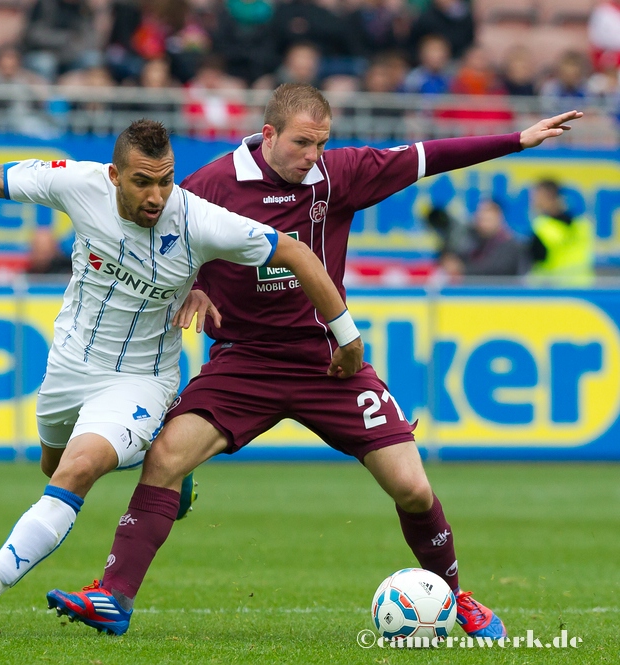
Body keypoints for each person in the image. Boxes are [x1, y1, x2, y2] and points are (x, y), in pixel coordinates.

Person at [46, 84, 583, 639]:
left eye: (321, 144)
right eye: (303, 143)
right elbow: (164, 244)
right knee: (163, 460)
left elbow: (428, 156)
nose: (313, 156)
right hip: (244, 363)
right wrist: (196, 286)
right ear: (270, 135)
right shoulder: (208, 186)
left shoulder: (338, 174)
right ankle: (113, 596)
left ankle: (455, 594)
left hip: (329, 364)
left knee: (414, 489)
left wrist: (518, 140)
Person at [0, 118, 364, 637]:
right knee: (53, 463)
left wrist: (347, 336)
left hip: (141, 379)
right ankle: (161, 459)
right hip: (68, 369)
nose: (156, 197)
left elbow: (294, 252)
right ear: (115, 175)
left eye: (165, 182)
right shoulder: (77, 183)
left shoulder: (194, 217)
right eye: (143, 183)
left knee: (76, 468)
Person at [436, 199, 529, 278]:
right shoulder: (474, 238)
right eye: (481, 219)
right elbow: (457, 255)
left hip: (504, 295)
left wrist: (461, 269)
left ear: (499, 219)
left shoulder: (510, 244)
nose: (484, 224)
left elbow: (494, 269)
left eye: (488, 220)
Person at [528, 179, 595, 284]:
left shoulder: (541, 227)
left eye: (536, 195)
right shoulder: (583, 224)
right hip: (582, 287)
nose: (533, 200)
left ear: (547, 196)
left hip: (553, 289)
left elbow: (535, 259)